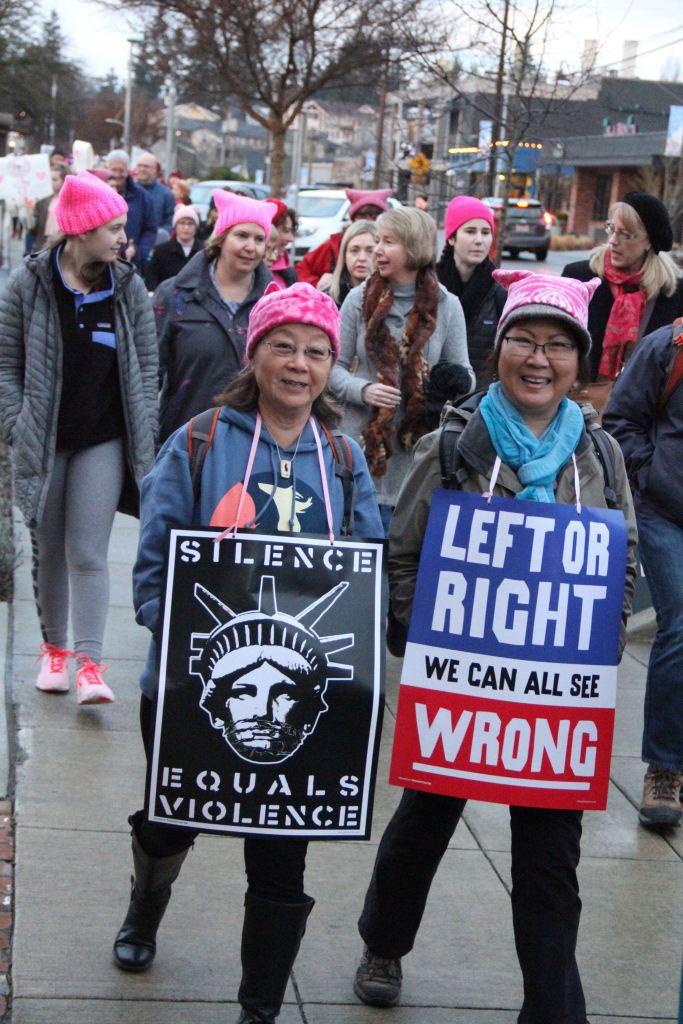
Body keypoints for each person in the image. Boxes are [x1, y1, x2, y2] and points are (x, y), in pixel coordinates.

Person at [352, 270, 637, 1022]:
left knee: (550, 863)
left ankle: (550, 1008)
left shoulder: (599, 456)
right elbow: (403, 553)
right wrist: (424, 636)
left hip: (554, 702)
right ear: (498, 348)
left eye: (556, 345)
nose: (537, 359)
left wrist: (601, 641)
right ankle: (383, 940)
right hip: (462, 689)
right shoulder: (456, 443)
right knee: (422, 826)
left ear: (578, 362)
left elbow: (623, 555)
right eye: (522, 340)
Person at [112, 282, 383, 1024]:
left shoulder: (345, 459)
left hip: (299, 698)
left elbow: (365, 566)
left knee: (280, 851)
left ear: (334, 364)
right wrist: (172, 637)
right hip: (192, 687)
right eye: (283, 346)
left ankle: (259, 1007)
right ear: (254, 351)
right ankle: (145, 906)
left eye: (317, 351)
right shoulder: (200, 438)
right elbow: (156, 556)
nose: (299, 364)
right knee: (171, 819)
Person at [0, 171, 158, 703]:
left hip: (103, 438)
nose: (121, 237)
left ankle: (90, 665)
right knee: (49, 549)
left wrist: (145, 426)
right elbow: (5, 364)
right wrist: (14, 423)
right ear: (82, 230)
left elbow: (147, 367)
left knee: (89, 550)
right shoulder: (29, 283)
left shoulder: (128, 286)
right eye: (112, 228)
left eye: (123, 227)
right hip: (42, 439)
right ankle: (55, 652)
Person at [329, 206, 474, 532]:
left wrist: (453, 381)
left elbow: (465, 373)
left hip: (417, 457)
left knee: (403, 568)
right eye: (378, 240)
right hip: (361, 454)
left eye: (387, 242)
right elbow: (330, 367)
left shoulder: (447, 305)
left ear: (413, 246)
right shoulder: (357, 299)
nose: (377, 250)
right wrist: (362, 389)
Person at [603, 321, 683, 828]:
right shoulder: (669, 346)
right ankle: (665, 769)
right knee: (680, 626)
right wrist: (653, 473)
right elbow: (621, 420)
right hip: (664, 512)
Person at [154, 189, 275, 443]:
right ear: (221, 238)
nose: (250, 247)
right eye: (241, 235)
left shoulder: (274, 302)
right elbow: (150, 373)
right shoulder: (175, 295)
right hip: (184, 437)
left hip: (252, 442)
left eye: (259, 239)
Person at [562, 192, 683, 383]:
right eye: (612, 229)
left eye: (626, 235)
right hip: (580, 402)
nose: (613, 241)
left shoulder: (673, 292)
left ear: (649, 242)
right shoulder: (580, 277)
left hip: (640, 407)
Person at [436, 195, 506, 388]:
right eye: (470, 231)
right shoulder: (429, 286)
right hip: (433, 399)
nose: (479, 240)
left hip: (481, 401)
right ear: (451, 237)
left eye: (485, 232)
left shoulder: (500, 290)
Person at [297, 187, 393, 288]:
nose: (368, 221)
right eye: (362, 216)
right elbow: (302, 270)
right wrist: (318, 284)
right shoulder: (334, 244)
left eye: (374, 217)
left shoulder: (391, 246)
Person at [106, 149, 157, 270]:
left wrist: (138, 250)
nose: (117, 174)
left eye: (121, 170)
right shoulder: (98, 194)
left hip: (131, 263)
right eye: (114, 170)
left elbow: (150, 229)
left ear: (128, 171)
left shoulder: (143, 197)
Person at [320, 219, 377, 308]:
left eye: (370, 251)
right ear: (344, 256)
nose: (362, 258)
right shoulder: (326, 298)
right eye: (354, 250)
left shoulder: (391, 297)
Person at [145, 205, 202, 291]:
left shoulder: (203, 252)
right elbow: (152, 279)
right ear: (175, 226)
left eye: (190, 223)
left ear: (196, 227)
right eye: (182, 223)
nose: (186, 227)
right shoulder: (161, 251)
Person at [30, 164, 71, 252]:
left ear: (64, 181)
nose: (51, 182)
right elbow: (33, 226)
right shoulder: (44, 199)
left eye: (55, 179)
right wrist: (29, 208)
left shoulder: (70, 200)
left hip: (62, 243)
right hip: (43, 242)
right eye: (49, 179)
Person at [135, 152, 175, 235]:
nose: (142, 169)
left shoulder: (166, 194)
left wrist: (159, 236)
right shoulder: (128, 191)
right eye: (140, 165)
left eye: (146, 166)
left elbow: (169, 222)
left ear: (154, 170)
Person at [265, 198, 299, 288]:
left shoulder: (289, 274)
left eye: (292, 231)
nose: (291, 238)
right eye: (286, 230)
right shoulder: (246, 274)